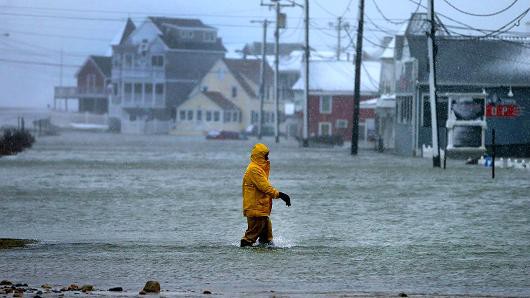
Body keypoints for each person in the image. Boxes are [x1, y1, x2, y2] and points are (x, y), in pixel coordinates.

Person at [240, 143, 291, 247]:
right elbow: (265, 187)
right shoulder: (254, 169)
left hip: (260, 210)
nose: (267, 158)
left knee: (267, 239)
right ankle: (243, 258)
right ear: (259, 156)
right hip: (256, 210)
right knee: (249, 238)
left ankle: (265, 259)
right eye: (265, 155)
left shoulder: (258, 168)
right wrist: (281, 195)